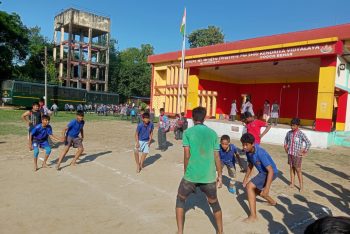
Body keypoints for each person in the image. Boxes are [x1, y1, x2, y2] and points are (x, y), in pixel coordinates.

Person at [175, 107, 223, 234]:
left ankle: (180, 231)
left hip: (191, 175)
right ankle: (220, 231)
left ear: (192, 118)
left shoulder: (187, 133)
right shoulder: (213, 134)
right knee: (214, 203)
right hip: (209, 176)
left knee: (180, 199)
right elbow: (217, 156)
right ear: (205, 117)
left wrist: (186, 173)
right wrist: (220, 175)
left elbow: (186, 155)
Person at [241, 133, 278, 223]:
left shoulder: (260, 152)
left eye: (246, 145)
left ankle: (253, 216)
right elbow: (250, 165)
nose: (244, 147)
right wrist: (246, 178)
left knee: (250, 187)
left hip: (270, 173)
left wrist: (267, 188)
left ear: (252, 144)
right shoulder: (248, 152)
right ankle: (272, 202)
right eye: (243, 144)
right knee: (256, 191)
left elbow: (271, 171)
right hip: (263, 173)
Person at [284, 118, 311, 192]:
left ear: (298, 126)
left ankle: (301, 186)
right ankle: (292, 183)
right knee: (291, 167)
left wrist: (304, 151)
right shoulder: (289, 133)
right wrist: (285, 147)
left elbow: (308, 143)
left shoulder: (301, 134)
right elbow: (286, 140)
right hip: (290, 153)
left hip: (297, 155)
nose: (292, 127)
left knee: (298, 169)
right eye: (291, 125)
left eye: (294, 126)